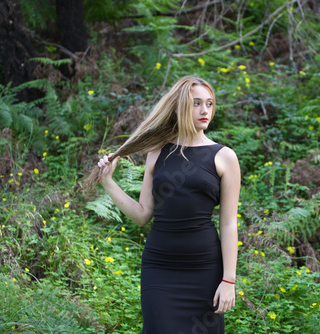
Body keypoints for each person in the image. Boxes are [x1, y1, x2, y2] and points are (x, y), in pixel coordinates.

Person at [91, 76, 241, 334]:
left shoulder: (224, 157)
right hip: (160, 268)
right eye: (196, 103)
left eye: (209, 103)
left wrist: (228, 280)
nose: (205, 110)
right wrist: (108, 182)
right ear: (179, 106)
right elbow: (142, 215)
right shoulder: (157, 152)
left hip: (204, 268)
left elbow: (228, 223)